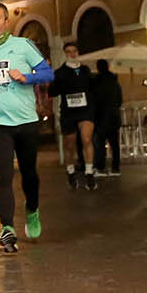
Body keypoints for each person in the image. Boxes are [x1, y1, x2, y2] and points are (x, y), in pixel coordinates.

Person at [0, 0, 54, 253]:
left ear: (6, 21)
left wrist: (26, 77)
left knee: (29, 174)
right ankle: (7, 228)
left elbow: (48, 73)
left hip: (26, 121)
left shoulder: (23, 45)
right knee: (3, 175)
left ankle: (32, 210)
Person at [51, 40, 96, 190]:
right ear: (65, 54)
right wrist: (57, 84)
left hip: (85, 111)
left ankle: (89, 173)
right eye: (69, 52)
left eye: (74, 51)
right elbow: (52, 92)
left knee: (86, 139)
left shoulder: (85, 70)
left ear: (78, 53)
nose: (72, 54)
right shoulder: (59, 72)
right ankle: (70, 172)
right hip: (69, 112)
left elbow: (92, 88)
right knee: (70, 145)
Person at [90, 58, 123, 177]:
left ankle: (100, 168)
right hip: (114, 117)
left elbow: (93, 100)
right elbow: (119, 100)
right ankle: (115, 168)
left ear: (98, 68)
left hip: (100, 117)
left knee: (99, 144)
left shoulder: (95, 82)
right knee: (114, 144)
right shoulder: (115, 81)